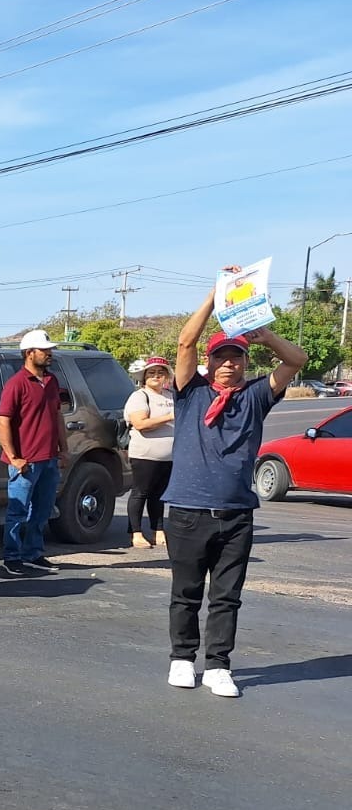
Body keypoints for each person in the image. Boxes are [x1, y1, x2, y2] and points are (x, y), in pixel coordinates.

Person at [163, 277, 306, 698]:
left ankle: (218, 666)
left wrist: (266, 336)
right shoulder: (190, 393)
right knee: (186, 593)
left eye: (236, 357)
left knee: (227, 597)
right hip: (188, 512)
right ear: (209, 364)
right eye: (221, 357)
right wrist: (215, 295)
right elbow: (185, 343)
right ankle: (182, 659)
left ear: (245, 362)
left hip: (237, 513)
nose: (228, 364)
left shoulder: (256, 396)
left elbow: (296, 360)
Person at [0, 329, 68, 577]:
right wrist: (14, 457)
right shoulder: (16, 384)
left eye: (50, 350)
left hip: (49, 458)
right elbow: (2, 421)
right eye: (44, 350)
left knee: (42, 510)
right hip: (26, 461)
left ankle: (33, 553)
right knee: (17, 511)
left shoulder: (52, 381)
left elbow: (57, 416)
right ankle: (12, 557)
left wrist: (64, 449)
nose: (49, 354)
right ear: (29, 353)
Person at [125, 356, 176, 549]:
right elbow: (140, 423)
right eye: (151, 373)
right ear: (144, 377)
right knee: (141, 493)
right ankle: (136, 533)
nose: (156, 376)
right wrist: (169, 417)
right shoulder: (139, 396)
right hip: (145, 455)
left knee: (159, 494)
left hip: (169, 457)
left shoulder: (171, 396)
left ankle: (158, 530)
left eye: (160, 372)